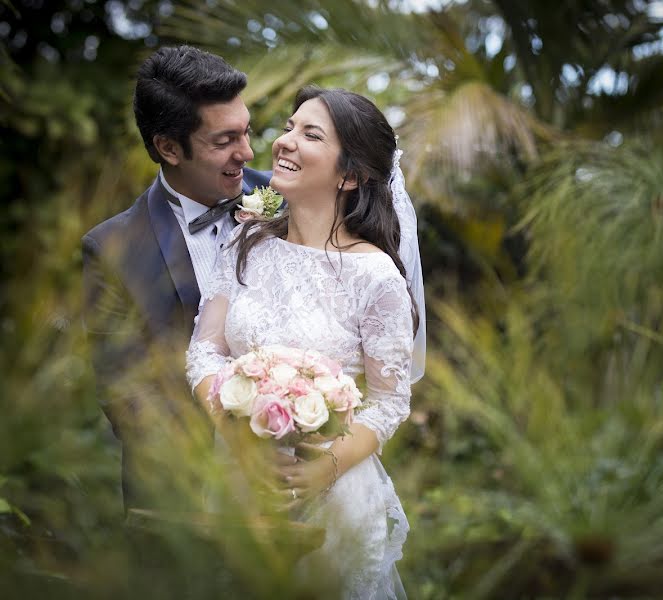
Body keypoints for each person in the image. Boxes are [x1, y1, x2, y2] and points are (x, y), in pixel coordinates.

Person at [186, 86, 417, 599]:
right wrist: (233, 425)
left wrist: (325, 469)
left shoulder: (375, 277)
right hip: (236, 481)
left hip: (330, 495)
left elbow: (389, 402)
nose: (285, 142)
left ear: (350, 175)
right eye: (289, 127)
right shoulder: (247, 244)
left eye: (310, 134)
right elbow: (205, 351)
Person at [82, 45, 270, 511]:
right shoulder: (111, 250)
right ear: (168, 147)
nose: (246, 153)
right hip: (184, 506)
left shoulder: (287, 198)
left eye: (246, 132)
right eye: (224, 141)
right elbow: (127, 394)